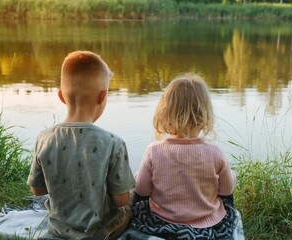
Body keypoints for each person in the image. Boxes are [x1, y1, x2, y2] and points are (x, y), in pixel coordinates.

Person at [27, 51, 135, 239]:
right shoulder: (113, 143)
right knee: (130, 206)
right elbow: (121, 200)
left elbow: (37, 190)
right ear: (102, 97)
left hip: (58, 230)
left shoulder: (44, 138)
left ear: (61, 96)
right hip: (99, 233)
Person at [131, 73, 237, 240]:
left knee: (138, 209)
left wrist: (139, 176)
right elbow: (226, 190)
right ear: (204, 115)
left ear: (165, 114)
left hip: (162, 221)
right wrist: (233, 177)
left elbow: (141, 190)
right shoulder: (216, 152)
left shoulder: (154, 151)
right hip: (207, 222)